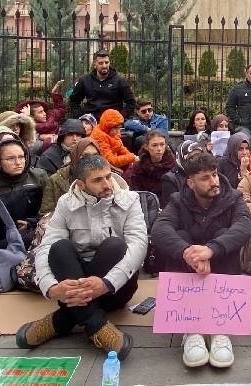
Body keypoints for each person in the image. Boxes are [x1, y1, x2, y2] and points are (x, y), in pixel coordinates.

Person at [17, 154, 148, 361]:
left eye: (108, 176)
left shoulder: (129, 200)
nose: (107, 184)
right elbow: (45, 247)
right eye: (97, 180)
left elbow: (139, 246)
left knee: (116, 245)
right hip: (75, 280)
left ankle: (59, 322)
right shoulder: (66, 203)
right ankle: (98, 326)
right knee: (59, 248)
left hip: (116, 287)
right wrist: (51, 288)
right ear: (81, 184)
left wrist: (106, 283)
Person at [152, 152, 251, 368]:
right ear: (190, 182)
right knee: (179, 238)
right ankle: (191, 329)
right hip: (190, 269)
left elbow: (244, 227)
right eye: (205, 178)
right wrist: (187, 251)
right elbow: (159, 229)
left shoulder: (233, 198)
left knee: (227, 234)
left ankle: (220, 329)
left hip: (220, 268)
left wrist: (212, 249)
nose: (213, 181)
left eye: (214, 175)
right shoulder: (178, 201)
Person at [39, 138, 102, 216]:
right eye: (85, 156)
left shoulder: (109, 178)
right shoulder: (56, 180)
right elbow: (46, 214)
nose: (91, 160)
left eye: (95, 155)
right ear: (76, 157)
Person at [69, 50, 136, 119]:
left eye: (106, 62)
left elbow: (131, 103)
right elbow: (74, 101)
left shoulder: (119, 80)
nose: (104, 66)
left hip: (112, 122)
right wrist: (81, 116)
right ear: (95, 65)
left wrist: (120, 117)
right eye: (100, 63)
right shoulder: (85, 80)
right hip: (90, 121)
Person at [15, 80, 68, 145]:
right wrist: (27, 118)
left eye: (43, 111)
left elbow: (60, 109)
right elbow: (23, 135)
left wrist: (55, 94)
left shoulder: (50, 116)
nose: (44, 113)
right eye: (40, 112)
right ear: (32, 116)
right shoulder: (28, 127)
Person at [128, 130, 176, 196]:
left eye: (162, 144)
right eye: (154, 145)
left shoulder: (173, 165)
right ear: (147, 147)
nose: (159, 149)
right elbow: (135, 191)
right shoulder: (139, 166)